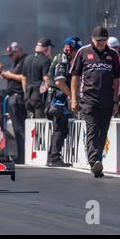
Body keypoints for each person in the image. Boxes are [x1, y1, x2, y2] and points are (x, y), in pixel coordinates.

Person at [70, 26, 120, 178]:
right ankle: (94, 162)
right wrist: (74, 98)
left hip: (107, 101)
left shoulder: (113, 54)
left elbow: (116, 79)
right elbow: (75, 76)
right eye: (98, 40)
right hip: (88, 99)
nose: (101, 43)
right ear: (92, 39)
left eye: (104, 40)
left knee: (102, 132)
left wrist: (116, 101)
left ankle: (97, 160)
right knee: (92, 129)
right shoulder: (83, 52)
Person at [46, 37, 83, 167]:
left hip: (56, 98)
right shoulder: (63, 59)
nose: (77, 54)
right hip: (57, 99)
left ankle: (52, 156)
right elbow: (59, 82)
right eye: (76, 51)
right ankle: (54, 158)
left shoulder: (63, 58)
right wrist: (73, 97)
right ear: (70, 49)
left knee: (58, 127)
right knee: (59, 128)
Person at [0, 41, 28, 163]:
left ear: (18, 51)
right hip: (12, 98)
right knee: (16, 129)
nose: (10, 57)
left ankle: (22, 156)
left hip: (18, 98)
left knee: (20, 129)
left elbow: (23, 78)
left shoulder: (24, 61)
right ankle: (20, 154)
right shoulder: (16, 63)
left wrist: (9, 75)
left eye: (12, 54)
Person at [22, 38, 54, 118]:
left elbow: (23, 78)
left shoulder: (27, 59)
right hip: (38, 96)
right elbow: (46, 79)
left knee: (30, 122)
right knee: (39, 123)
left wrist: (25, 92)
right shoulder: (46, 61)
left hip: (27, 96)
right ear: (46, 48)